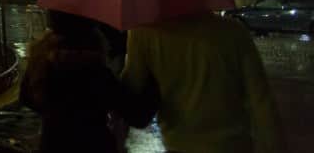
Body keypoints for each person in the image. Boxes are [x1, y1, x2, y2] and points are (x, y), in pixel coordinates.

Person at [121, 12, 284, 153]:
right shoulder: (233, 31)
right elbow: (261, 101)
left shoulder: (144, 33)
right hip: (232, 146)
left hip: (180, 145)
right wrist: (273, 147)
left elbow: (130, 88)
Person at [21, 11, 147, 152]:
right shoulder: (96, 73)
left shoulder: (41, 64)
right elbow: (136, 115)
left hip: (51, 145)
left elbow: (26, 98)